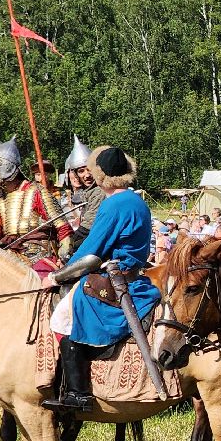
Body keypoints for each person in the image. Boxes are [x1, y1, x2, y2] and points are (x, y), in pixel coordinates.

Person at [43, 147, 161, 416]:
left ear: (101, 175)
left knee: (63, 317)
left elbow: (91, 255)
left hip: (115, 282)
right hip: (134, 278)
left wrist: (57, 275)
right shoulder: (137, 201)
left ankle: (77, 393)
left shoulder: (113, 204)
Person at [0, 136, 72, 275]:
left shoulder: (37, 192)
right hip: (9, 254)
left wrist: (65, 252)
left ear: (7, 166)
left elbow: (62, 227)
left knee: (40, 280)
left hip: (39, 255)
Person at [63, 134, 103, 254]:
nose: (87, 175)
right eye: (81, 171)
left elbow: (88, 225)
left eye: (89, 169)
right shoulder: (88, 192)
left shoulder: (100, 191)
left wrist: (71, 245)